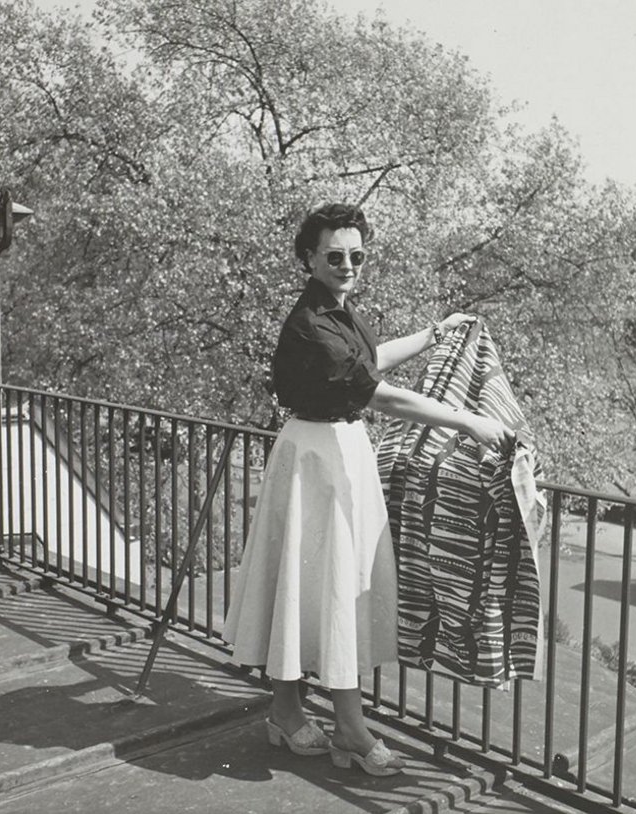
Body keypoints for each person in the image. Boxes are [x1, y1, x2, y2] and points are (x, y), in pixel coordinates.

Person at [222, 203, 514, 776]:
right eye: (334, 256)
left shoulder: (334, 310)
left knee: (308, 585)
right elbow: (377, 393)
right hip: (319, 457)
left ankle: (285, 712)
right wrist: (468, 421)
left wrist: (433, 335)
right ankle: (351, 731)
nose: (347, 264)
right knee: (334, 589)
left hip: (327, 451)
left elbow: (370, 361)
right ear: (309, 259)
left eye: (357, 255)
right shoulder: (312, 323)